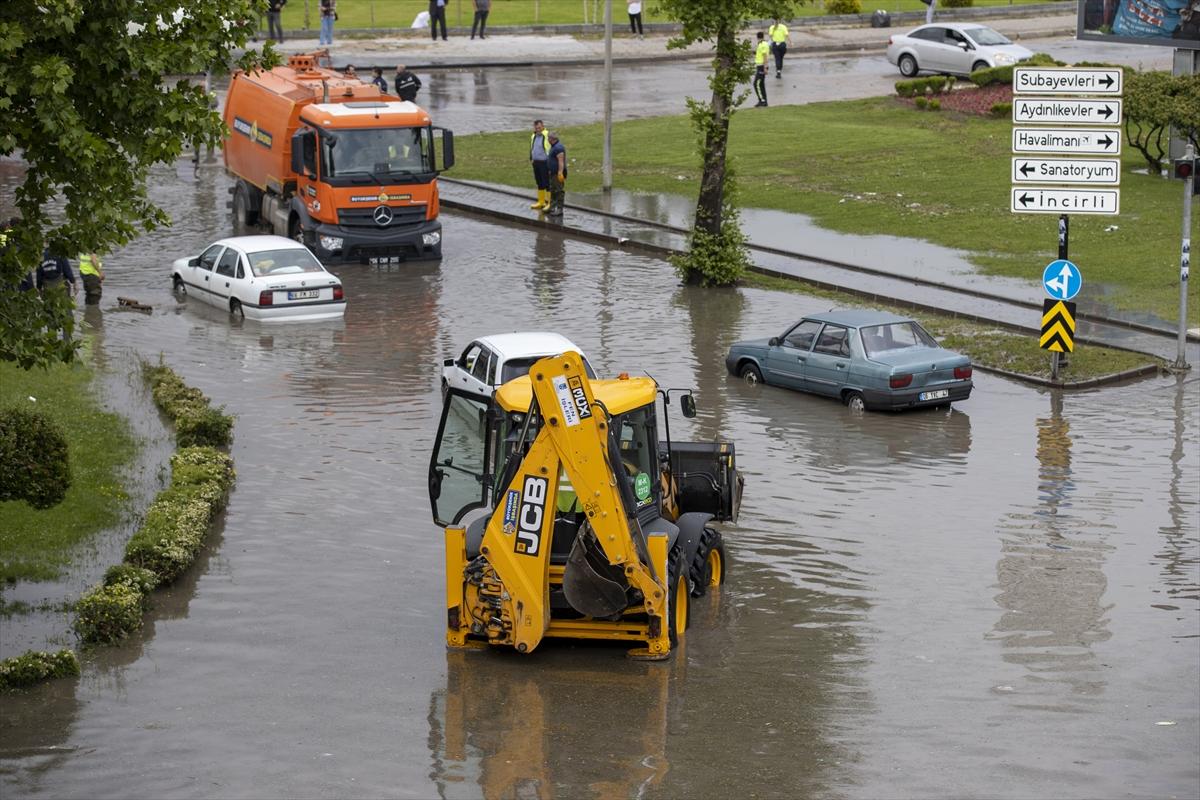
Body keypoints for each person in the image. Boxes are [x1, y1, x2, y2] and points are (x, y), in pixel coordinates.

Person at [529, 119, 551, 211]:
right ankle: (541, 202)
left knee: (547, 183)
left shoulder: (546, 134)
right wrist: (531, 158)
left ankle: (549, 203)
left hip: (545, 162)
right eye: (536, 127)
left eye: (539, 127)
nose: (538, 129)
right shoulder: (533, 136)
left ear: (542, 126)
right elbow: (532, 147)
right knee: (539, 182)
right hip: (536, 162)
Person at [546, 131, 567, 217]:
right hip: (552, 173)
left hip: (557, 174)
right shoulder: (553, 146)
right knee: (553, 190)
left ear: (552, 139)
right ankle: (552, 207)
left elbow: (561, 162)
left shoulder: (559, 148)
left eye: (548, 138)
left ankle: (559, 209)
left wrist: (560, 173)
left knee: (559, 191)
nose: (547, 139)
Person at [753, 31, 769, 107]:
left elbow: (765, 55)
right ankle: (764, 101)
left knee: (756, 84)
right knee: (761, 84)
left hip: (761, 66)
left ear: (757, 37)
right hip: (761, 66)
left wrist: (765, 67)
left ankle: (762, 100)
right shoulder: (765, 43)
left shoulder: (762, 44)